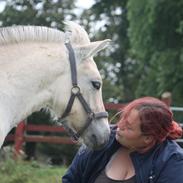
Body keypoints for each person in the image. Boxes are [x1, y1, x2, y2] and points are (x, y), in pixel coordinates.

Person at [62, 97, 183, 183]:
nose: (119, 126)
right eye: (122, 118)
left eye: (128, 127)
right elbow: (71, 179)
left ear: (147, 139)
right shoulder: (102, 140)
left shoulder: (173, 161)